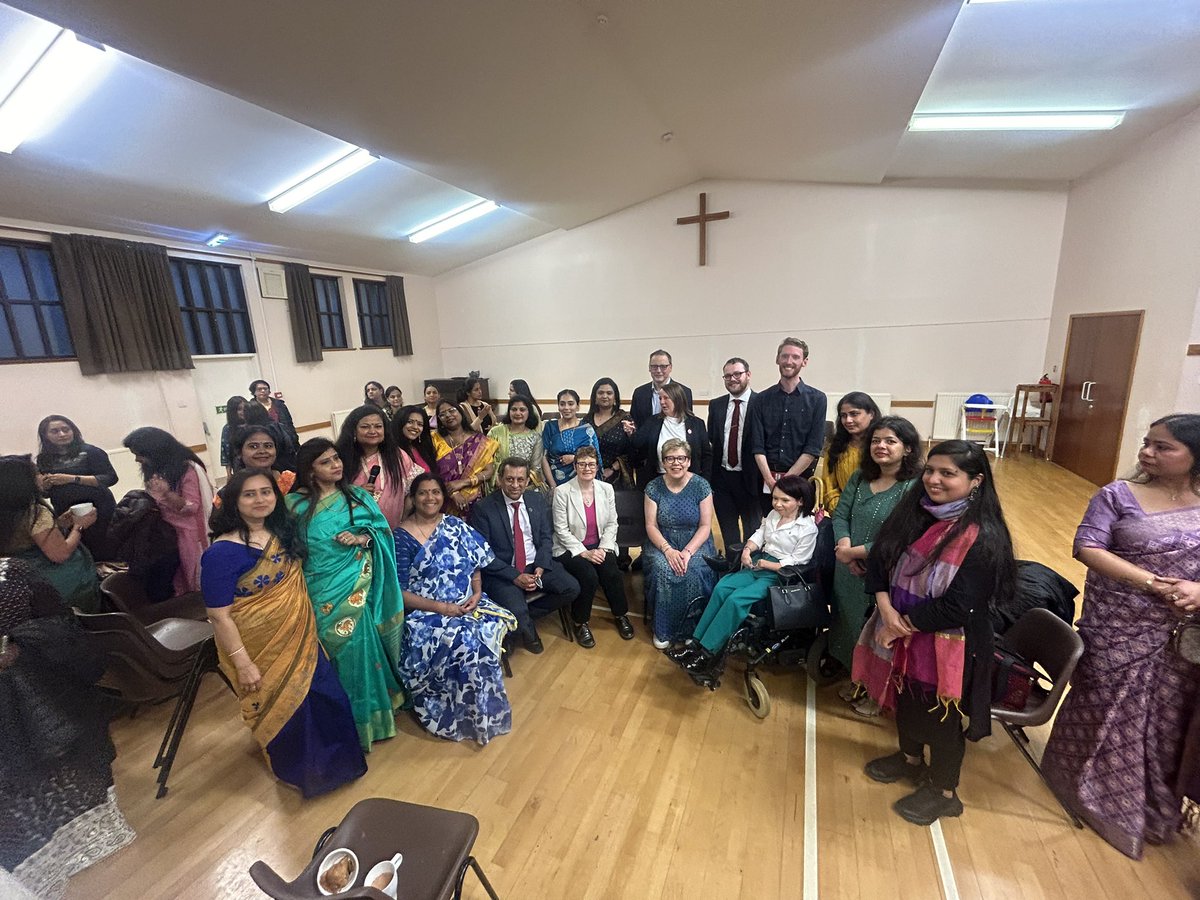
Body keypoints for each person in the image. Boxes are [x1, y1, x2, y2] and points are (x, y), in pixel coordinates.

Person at [1042, 414, 1200, 859]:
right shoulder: (1118, 495)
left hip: (1183, 634)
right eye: (1147, 443)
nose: (1147, 452)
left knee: (1168, 716)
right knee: (1102, 702)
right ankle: (1086, 792)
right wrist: (1154, 584)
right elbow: (1087, 548)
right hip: (1120, 625)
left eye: (1163, 447)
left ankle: (1155, 804)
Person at [852, 440, 1016, 827]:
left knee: (940, 719)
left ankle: (945, 793)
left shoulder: (983, 536)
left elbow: (959, 607)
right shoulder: (920, 513)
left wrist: (898, 625)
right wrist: (888, 611)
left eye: (948, 473)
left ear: (975, 481)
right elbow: (880, 557)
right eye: (930, 470)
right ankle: (910, 761)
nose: (934, 480)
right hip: (902, 630)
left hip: (950, 643)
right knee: (905, 704)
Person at [201, 469, 367, 796]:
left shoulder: (282, 531)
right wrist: (244, 663)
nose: (260, 499)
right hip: (258, 647)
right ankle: (308, 776)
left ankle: (344, 765)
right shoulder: (221, 553)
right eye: (249, 494)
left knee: (326, 696)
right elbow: (218, 616)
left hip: (301, 635)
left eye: (266, 491)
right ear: (233, 501)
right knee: (289, 711)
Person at [0, 558, 135, 897]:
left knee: (40, 771)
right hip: (33, 687)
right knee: (30, 775)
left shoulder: (14, 573)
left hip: (34, 685)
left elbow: (60, 625)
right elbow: (63, 624)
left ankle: (65, 850)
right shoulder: (13, 573)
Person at [286, 439, 406, 752]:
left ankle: (368, 722)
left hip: (354, 587)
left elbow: (380, 533)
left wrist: (360, 538)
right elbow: (288, 549)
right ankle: (334, 721)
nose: (336, 465)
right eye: (325, 462)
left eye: (336, 458)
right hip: (315, 589)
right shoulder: (294, 505)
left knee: (357, 651)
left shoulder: (356, 497)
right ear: (310, 470)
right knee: (324, 655)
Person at [393, 472, 517, 744]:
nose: (430, 498)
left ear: (443, 496)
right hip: (425, 613)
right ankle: (455, 714)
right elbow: (400, 593)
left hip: (467, 602)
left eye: (435, 492)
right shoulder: (400, 537)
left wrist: (477, 592)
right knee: (465, 646)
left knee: (479, 641)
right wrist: (442, 607)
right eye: (423, 493)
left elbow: (474, 564)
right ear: (412, 499)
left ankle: (481, 716)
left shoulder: (455, 525)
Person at [669, 475, 818, 674]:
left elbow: (800, 560)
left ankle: (707, 653)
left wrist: (770, 565)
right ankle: (695, 644)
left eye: (785, 500)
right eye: (775, 498)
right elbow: (759, 534)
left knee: (736, 600)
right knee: (722, 588)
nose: (777, 504)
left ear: (800, 501)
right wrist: (747, 550)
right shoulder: (773, 515)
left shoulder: (807, 528)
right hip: (759, 562)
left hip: (781, 575)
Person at [829, 416, 921, 715]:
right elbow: (841, 514)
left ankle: (875, 692)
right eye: (876, 441)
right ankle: (855, 678)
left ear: (907, 448)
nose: (881, 446)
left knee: (877, 634)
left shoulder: (913, 487)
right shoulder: (859, 477)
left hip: (886, 574)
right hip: (848, 569)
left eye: (890, 441)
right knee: (848, 622)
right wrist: (845, 548)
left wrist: (855, 552)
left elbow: (901, 536)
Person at [475, 458, 582, 652]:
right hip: (504, 570)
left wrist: (541, 565)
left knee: (572, 588)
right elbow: (484, 555)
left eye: (520, 480)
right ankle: (523, 622)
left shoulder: (535, 499)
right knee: (516, 608)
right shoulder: (484, 508)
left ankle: (523, 618)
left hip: (535, 563)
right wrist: (515, 576)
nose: (515, 485)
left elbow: (545, 537)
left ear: (527, 480)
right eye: (509, 479)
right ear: (499, 479)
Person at [553, 445, 635, 642]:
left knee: (612, 572)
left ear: (597, 466)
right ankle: (580, 622)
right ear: (575, 466)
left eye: (591, 464)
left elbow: (611, 523)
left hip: (600, 545)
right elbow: (561, 530)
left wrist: (603, 548)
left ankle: (620, 615)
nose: (587, 468)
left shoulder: (606, 489)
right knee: (588, 576)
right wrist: (584, 553)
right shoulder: (562, 491)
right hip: (570, 548)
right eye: (582, 464)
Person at [642, 438, 719, 648]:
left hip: (695, 541)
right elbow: (651, 526)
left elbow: (705, 525)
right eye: (670, 458)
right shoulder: (653, 487)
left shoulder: (701, 486)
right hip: (662, 541)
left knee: (693, 569)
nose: (676, 463)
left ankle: (691, 629)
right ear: (663, 462)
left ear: (689, 461)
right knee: (662, 569)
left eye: (681, 458)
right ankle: (663, 630)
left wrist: (686, 552)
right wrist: (668, 551)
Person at [123, 426, 214, 594]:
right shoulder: (156, 467)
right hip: (163, 530)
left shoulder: (187, 469)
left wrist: (166, 494)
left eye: (139, 454)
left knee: (192, 577)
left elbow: (192, 507)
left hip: (188, 533)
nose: (137, 459)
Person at [750, 337, 827, 512]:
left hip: (800, 480)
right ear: (777, 359)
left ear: (804, 362)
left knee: (796, 531)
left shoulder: (818, 399)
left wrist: (786, 482)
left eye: (795, 357)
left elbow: (812, 448)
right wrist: (770, 480)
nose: (789, 361)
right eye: (785, 356)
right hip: (766, 479)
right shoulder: (761, 399)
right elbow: (757, 446)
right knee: (768, 528)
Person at [34, 414, 119, 560]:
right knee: (81, 552)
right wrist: (44, 486)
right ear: (45, 436)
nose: (62, 434)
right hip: (66, 512)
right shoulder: (43, 459)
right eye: (55, 431)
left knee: (108, 549)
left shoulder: (91, 451)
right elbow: (45, 494)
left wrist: (71, 479)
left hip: (99, 509)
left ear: (73, 430)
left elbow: (110, 478)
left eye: (66, 429)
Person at [706, 358, 761, 553]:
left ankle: (748, 572)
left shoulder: (761, 403)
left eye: (737, 374)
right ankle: (731, 571)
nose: (733, 379)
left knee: (752, 533)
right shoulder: (716, 405)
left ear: (748, 374)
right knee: (729, 533)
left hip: (751, 480)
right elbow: (711, 441)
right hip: (722, 480)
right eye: (728, 376)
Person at [335, 405, 417, 529]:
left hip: (392, 531)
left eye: (378, 426)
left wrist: (404, 521)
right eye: (365, 427)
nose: (372, 431)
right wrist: (355, 492)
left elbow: (414, 490)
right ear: (353, 430)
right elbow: (328, 496)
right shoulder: (340, 458)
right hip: (352, 532)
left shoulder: (398, 456)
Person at [631, 382, 711, 489]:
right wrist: (630, 432)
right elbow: (637, 444)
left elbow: (706, 456)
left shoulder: (696, 424)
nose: (662, 402)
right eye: (660, 398)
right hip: (658, 480)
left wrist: (705, 482)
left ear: (677, 399)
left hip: (689, 483)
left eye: (666, 398)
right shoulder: (653, 421)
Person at [431, 400, 499, 521]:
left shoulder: (479, 440)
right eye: (442, 414)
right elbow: (432, 471)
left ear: (461, 412)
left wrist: (464, 482)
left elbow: (489, 471)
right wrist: (453, 493)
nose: (448, 415)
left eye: (452, 410)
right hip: (445, 501)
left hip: (475, 501)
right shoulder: (435, 440)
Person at [823, 392, 882, 513]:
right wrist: (843, 513)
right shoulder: (835, 448)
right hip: (842, 514)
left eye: (854, 414)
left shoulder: (881, 448)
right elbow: (829, 488)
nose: (848, 420)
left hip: (876, 514)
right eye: (843, 416)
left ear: (871, 414)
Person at [487, 394, 549, 497]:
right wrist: (499, 479)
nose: (518, 413)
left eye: (522, 410)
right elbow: (486, 460)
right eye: (514, 409)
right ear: (509, 412)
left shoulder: (535, 438)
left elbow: (535, 469)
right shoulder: (496, 433)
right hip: (498, 484)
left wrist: (519, 485)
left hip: (525, 487)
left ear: (529, 412)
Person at [542, 389, 602, 487]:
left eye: (570, 404)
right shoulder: (550, 427)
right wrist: (553, 486)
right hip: (555, 481)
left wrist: (575, 458)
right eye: (562, 404)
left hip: (583, 481)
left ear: (577, 407)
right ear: (558, 407)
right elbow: (543, 457)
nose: (566, 408)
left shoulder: (587, 430)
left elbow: (595, 457)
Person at [584, 377, 636, 490]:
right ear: (595, 397)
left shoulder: (625, 420)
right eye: (600, 393)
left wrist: (612, 469)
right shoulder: (586, 420)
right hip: (590, 474)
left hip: (617, 477)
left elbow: (632, 451)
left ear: (615, 397)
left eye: (609, 393)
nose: (605, 396)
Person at [630, 349, 693, 429]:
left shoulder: (684, 392)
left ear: (670, 367)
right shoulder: (639, 393)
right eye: (654, 367)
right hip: (646, 440)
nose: (658, 371)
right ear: (649, 368)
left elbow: (688, 422)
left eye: (663, 366)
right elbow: (635, 422)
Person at [230, 425, 296, 494]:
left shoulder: (293, 482)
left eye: (268, 446)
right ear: (239, 453)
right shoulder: (232, 491)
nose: (262, 451)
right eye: (253, 446)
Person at [250, 379, 299, 452]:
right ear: (254, 392)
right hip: (265, 441)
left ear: (269, 391)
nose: (263, 391)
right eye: (259, 389)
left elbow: (289, 423)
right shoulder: (250, 407)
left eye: (265, 389)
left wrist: (294, 437)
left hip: (285, 439)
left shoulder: (280, 404)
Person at [394, 404, 436, 475]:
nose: (415, 427)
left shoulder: (421, 449)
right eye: (410, 422)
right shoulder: (393, 451)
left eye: (420, 424)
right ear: (400, 422)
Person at [220, 396, 249, 477]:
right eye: (239, 409)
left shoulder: (255, 425)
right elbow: (225, 452)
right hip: (239, 467)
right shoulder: (228, 428)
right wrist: (229, 474)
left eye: (245, 408)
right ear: (232, 411)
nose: (243, 411)